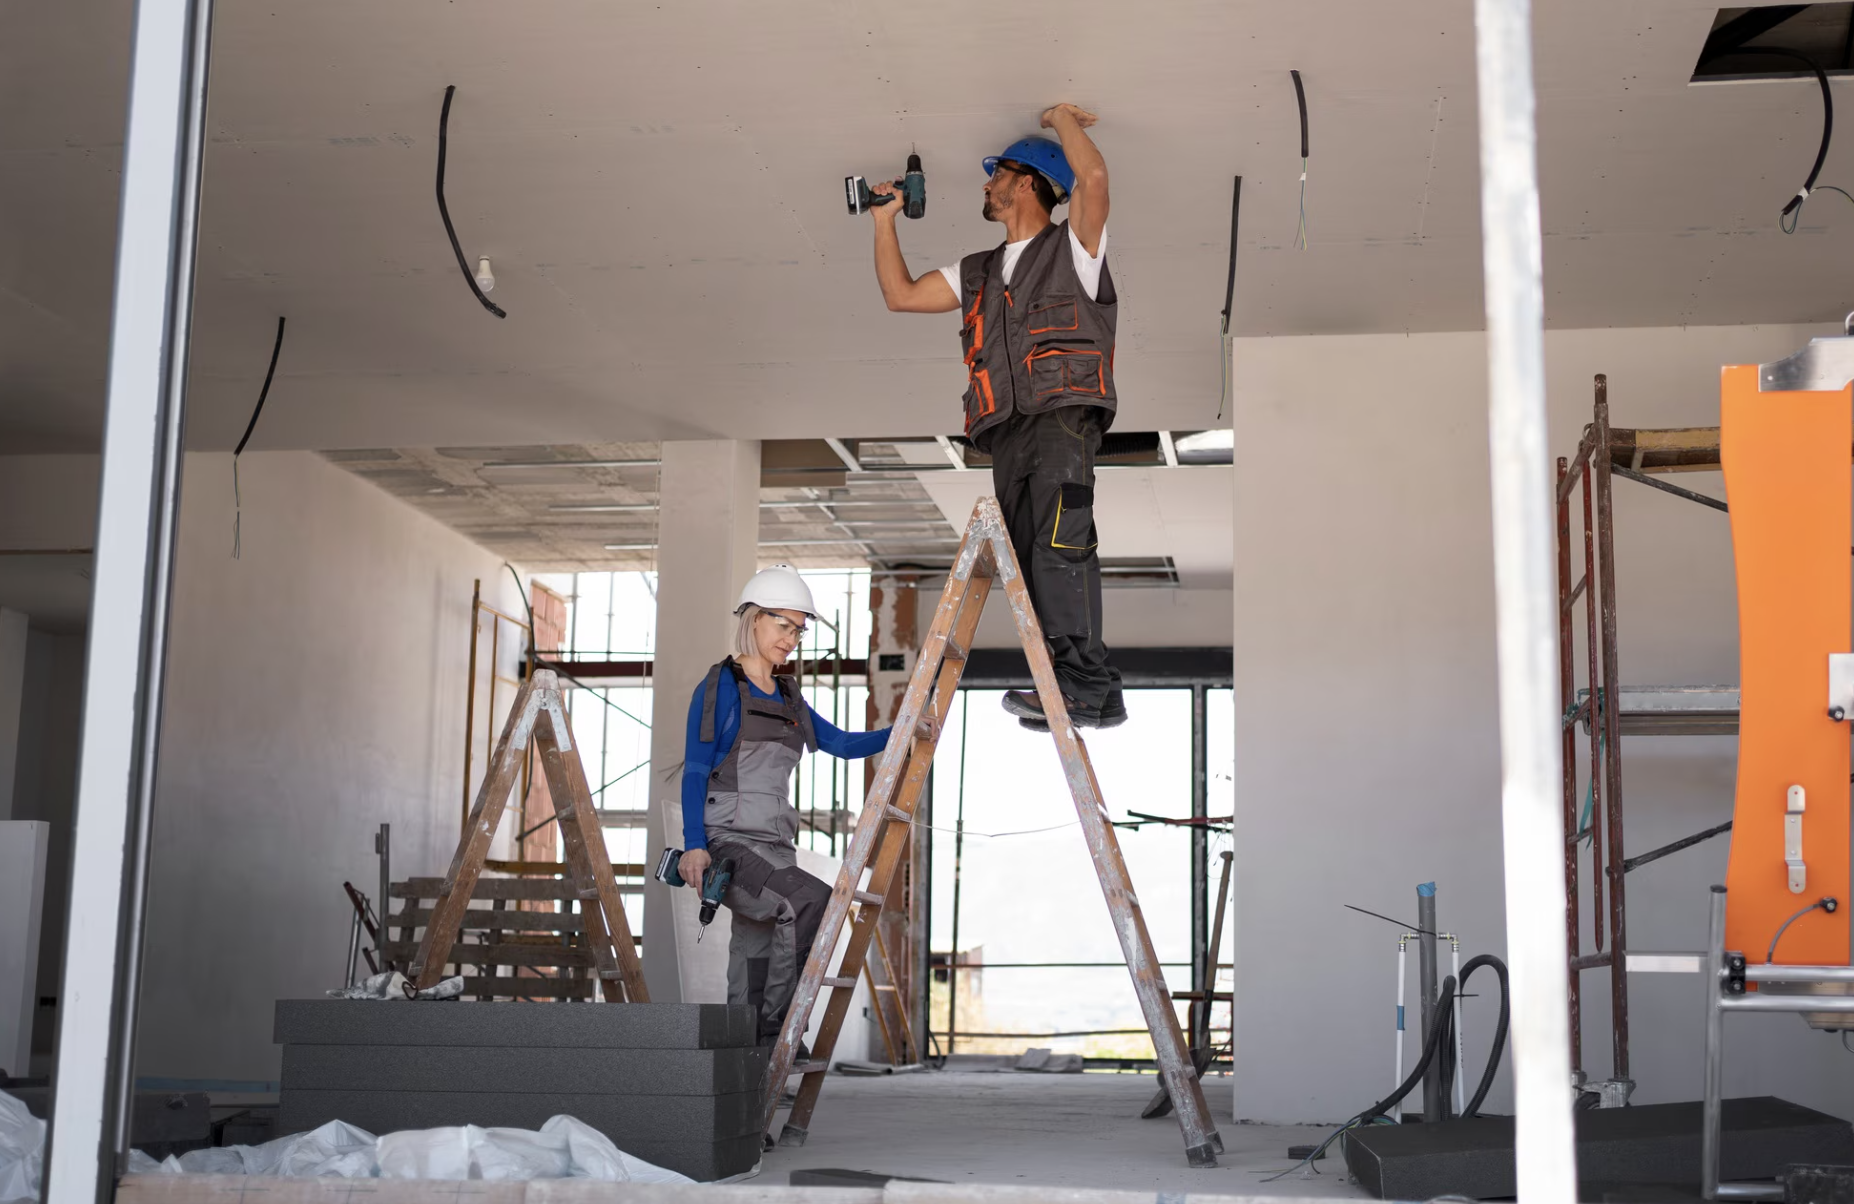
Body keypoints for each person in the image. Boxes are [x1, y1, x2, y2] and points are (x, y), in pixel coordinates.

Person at [868, 103, 1125, 731]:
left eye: (997, 174)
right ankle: (1088, 687)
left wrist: (1063, 120)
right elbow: (901, 296)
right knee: (1027, 562)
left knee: (1059, 547)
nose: (987, 184)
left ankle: (1083, 683)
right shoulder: (977, 271)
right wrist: (883, 222)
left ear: (1029, 182)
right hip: (1006, 430)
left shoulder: (1075, 247)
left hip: (1062, 417)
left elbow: (1091, 183)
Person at [676, 564, 931, 1050]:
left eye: (799, 628)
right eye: (783, 625)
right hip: (729, 842)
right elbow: (694, 769)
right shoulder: (720, 688)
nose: (792, 638)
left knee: (752, 959)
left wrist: (905, 731)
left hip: (776, 847)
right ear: (753, 619)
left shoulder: (790, 696)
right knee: (811, 900)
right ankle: (780, 1031)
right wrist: (694, 846)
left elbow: (841, 742)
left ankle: (746, 1076)